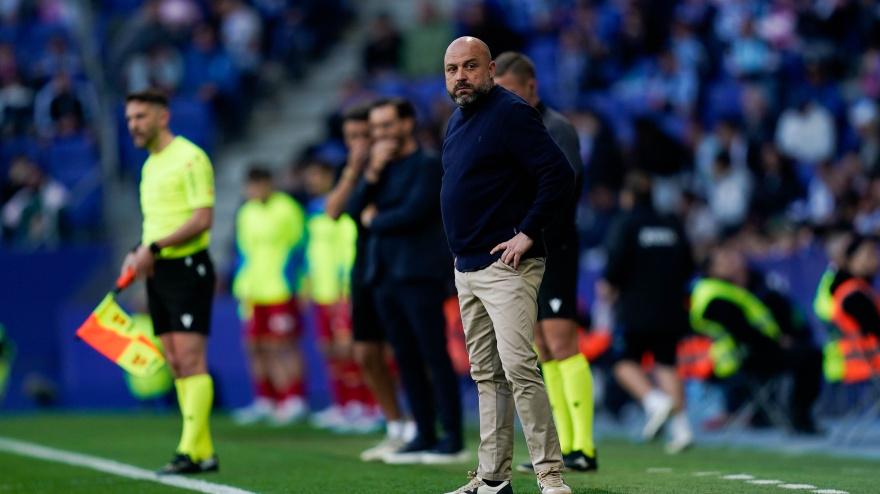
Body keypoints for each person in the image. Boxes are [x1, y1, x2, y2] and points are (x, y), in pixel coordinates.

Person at [441, 37, 574, 494]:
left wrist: (528, 231)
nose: (460, 76)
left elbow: (558, 173)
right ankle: (493, 478)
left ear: (491, 69)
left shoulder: (512, 112)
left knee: (519, 368)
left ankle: (549, 474)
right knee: (486, 374)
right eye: (452, 69)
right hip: (468, 267)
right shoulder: (457, 122)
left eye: (470, 67)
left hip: (506, 265)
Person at [493, 51, 597, 473]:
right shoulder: (514, 128)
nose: (503, 100)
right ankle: (558, 447)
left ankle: (583, 448)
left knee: (561, 343)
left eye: (510, 92)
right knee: (540, 350)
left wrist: (529, 228)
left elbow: (564, 188)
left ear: (531, 87)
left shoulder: (557, 128)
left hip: (554, 248)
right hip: (525, 251)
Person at [349, 97, 465, 464]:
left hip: (419, 274)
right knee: (405, 357)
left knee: (433, 354)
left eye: (387, 126)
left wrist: (375, 218)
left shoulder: (428, 164)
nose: (381, 134)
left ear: (407, 123)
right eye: (376, 128)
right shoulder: (379, 169)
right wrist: (369, 176)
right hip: (383, 276)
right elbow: (353, 213)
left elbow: (413, 212)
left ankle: (452, 437)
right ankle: (423, 434)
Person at [121, 88, 218, 474]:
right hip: (159, 270)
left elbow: (202, 218)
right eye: (129, 119)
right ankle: (203, 451)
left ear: (164, 116)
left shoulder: (191, 157)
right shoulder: (149, 165)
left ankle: (189, 451)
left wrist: (154, 248)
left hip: (188, 267)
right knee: (176, 362)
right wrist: (138, 253)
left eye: (141, 117)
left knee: (191, 359)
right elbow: (156, 224)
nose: (134, 125)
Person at [325, 104, 415, 460]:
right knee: (364, 351)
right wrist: (354, 168)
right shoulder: (350, 172)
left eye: (364, 135)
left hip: (397, 264)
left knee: (406, 350)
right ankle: (395, 425)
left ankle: (421, 422)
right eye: (352, 138)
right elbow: (332, 211)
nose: (359, 143)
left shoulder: (394, 166)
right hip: (363, 267)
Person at [600, 171, 694, 454]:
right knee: (667, 364)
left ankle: (654, 401)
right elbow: (689, 265)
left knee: (621, 362)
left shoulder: (625, 223)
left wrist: (609, 285)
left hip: (635, 309)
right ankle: (682, 430)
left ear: (628, 197)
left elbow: (614, 265)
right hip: (670, 308)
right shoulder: (671, 224)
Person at [691, 243, 822, 434]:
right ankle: (799, 417)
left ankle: (784, 416)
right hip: (739, 359)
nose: (732, 263)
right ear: (711, 269)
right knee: (810, 356)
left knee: (806, 352)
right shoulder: (714, 295)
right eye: (725, 260)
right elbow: (742, 331)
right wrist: (778, 343)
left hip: (753, 352)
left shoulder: (735, 286)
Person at [302, 158, 380, 433]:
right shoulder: (313, 212)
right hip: (321, 292)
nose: (312, 181)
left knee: (352, 350)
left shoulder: (344, 214)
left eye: (317, 175)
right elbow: (313, 253)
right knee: (331, 352)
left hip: (341, 292)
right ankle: (344, 404)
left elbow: (345, 253)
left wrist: (342, 288)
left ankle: (367, 405)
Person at [231, 166, 308, 426]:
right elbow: (243, 253)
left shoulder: (287, 209)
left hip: (280, 288)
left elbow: (300, 248)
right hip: (253, 290)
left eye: (259, 184)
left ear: (269, 183)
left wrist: (299, 281)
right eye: (250, 186)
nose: (254, 190)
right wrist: (241, 286)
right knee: (255, 346)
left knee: (283, 345)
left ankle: (294, 399)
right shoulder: (246, 212)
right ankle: (267, 399)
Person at [828, 236, 880, 383]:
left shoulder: (860, 287)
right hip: (867, 369)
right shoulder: (853, 294)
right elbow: (874, 326)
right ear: (851, 260)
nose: (875, 260)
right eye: (869, 255)